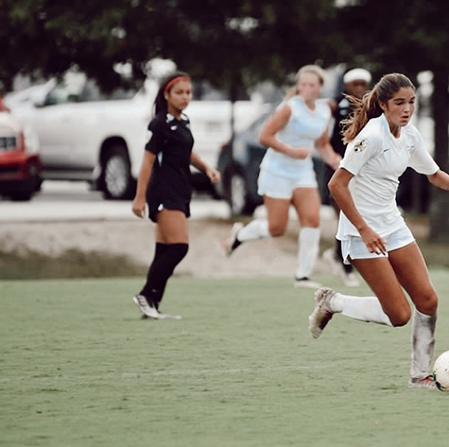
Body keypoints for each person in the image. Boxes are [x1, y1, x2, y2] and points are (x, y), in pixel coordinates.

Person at [306, 73, 449, 388]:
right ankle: (332, 301)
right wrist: (364, 228)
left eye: (411, 102)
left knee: (427, 299)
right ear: (384, 104)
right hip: (361, 233)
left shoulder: (409, 135)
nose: (407, 108)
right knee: (399, 315)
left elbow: (433, 173)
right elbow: (337, 185)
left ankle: (419, 376)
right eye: (399, 102)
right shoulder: (371, 136)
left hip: (393, 225)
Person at [224, 65, 342, 288]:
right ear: (298, 87)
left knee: (312, 220)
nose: (307, 88)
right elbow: (264, 136)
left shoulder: (324, 111)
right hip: (276, 171)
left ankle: (302, 276)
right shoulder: (289, 108)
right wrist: (291, 151)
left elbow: (322, 144)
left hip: (303, 173)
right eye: (303, 84)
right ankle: (240, 235)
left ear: (319, 88)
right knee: (276, 228)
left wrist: (336, 161)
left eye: (312, 85)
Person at [131, 72, 221, 319]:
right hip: (163, 190)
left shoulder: (183, 121)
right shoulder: (159, 124)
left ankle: (152, 304)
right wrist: (139, 197)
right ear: (167, 95)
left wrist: (207, 169)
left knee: (164, 249)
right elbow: (147, 162)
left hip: (180, 188)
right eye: (179, 92)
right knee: (179, 247)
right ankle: (146, 293)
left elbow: (188, 152)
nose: (185, 97)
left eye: (188, 92)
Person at [321, 68, 372, 287]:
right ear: (347, 86)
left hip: (362, 169)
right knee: (346, 216)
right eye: (355, 84)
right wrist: (332, 158)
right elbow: (322, 138)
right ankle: (345, 264)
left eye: (363, 84)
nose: (359, 88)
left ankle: (340, 257)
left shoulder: (373, 107)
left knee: (357, 216)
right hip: (339, 168)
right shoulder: (334, 106)